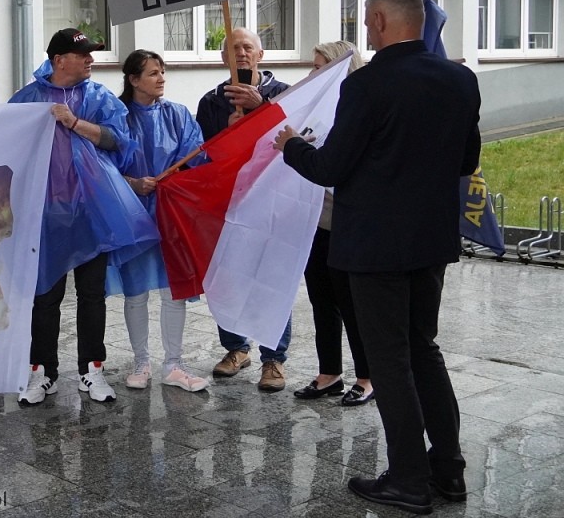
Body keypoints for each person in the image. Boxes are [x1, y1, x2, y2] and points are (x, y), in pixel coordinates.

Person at [277, 0, 480, 514]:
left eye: (366, 21)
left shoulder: (367, 85)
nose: (364, 29)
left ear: (382, 21)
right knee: (423, 351)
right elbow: (465, 161)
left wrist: (290, 145)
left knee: (389, 362)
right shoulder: (461, 79)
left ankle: (409, 480)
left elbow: (330, 168)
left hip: (373, 247)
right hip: (430, 241)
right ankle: (449, 472)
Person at [10, 28, 147, 406]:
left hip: (92, 211)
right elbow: (5, 146)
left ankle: (92, 370)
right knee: (45, 296)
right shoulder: (29, 99)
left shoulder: (98, 96)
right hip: (46, 214)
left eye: (91, 53)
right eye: (82, 54)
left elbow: (118, 140)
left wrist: (73, 122)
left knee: (92, 295)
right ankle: (42, 373)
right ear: (58, 60)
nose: (90, 59)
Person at [195, 27, 293, 392]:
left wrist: (260, 110)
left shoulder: (283, 95)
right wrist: (228, 133)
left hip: (272, 203)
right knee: (228, 276)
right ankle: (236, 348)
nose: (241, 53)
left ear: (261, 54)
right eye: (232, 49)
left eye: (247, 47)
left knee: (271, 281)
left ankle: (274, 359)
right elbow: (204, 155)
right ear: (223, 59)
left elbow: (296, 138)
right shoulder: (211, 102)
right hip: (230, 202)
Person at [109, 50, 210, 393]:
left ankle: (174, 363)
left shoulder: (179, 114)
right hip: (132, 214)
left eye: (162, 72)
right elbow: (103, 167)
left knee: (174, 289)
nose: (161, 78)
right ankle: (141, 360)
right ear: (133, 80)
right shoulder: (117, 118)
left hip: (170, 213)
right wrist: (133, 184)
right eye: (153, 73)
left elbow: (198, 158)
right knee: (135, 291)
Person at [292, 41, 374, 408]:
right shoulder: (315, 107)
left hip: (349, 220)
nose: (313, 74)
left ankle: (367, 376)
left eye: (321, 67)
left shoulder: (357, 108)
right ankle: (329, 373)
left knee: (351, 302)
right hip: (316, 219)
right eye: (313, 66)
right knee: (321, 299)